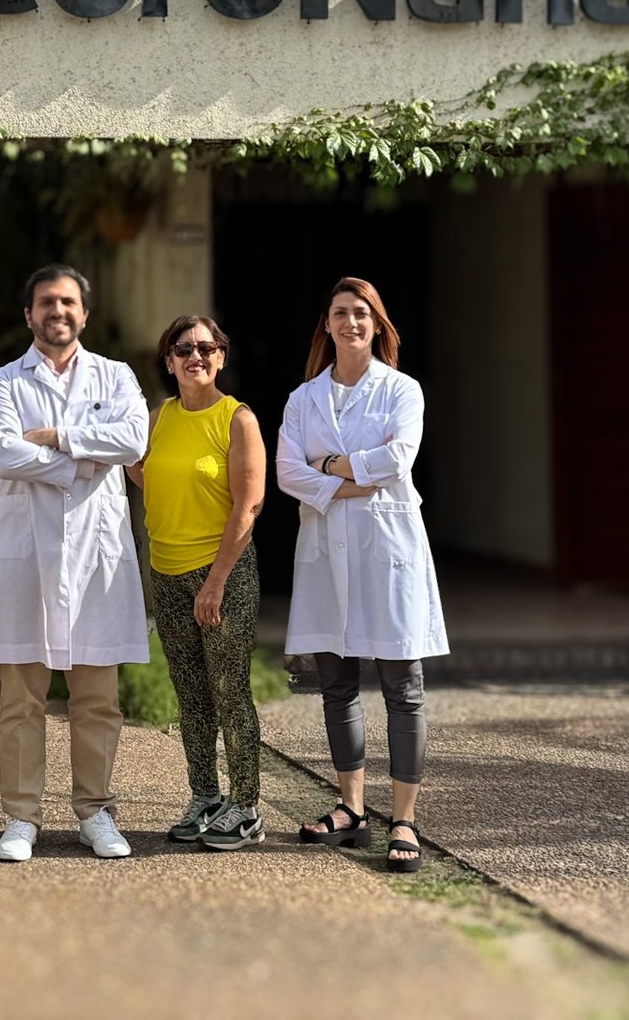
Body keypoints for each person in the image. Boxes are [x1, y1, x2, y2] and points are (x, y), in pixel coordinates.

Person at [0, 263, 150, 863]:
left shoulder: (116, 375)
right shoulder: (3, 382)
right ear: (29, 314)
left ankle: (95, 812)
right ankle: (21, 817)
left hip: (96, 559)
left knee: (97, 698)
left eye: (68, 302)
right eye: (47, 302)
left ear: (84, 313)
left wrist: (54, 437)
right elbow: (2, 454)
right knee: (22, 699)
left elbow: (133, 442)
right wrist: (84, 459)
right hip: (26, 558)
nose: (58, 311)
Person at [275, 277, 447, 874]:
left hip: (386, 550)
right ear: (326, 324)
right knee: (337, 683)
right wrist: (349, 481)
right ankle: (351, 809)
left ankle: (404, 819)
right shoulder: (303, 399)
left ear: (377, 324)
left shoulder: (402, 390)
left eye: (361, 313)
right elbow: (287, 473)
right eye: (340, 313)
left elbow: (399, 460)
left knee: (403, 686)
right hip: (327, 552)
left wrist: (326, 467)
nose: (350, 322)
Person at [127, 315, 267, 851]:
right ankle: (205, 796)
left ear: (221, 357)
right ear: (169, 362)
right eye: (183, 349)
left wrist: (215, 582)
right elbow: (142, 470)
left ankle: (246, 806)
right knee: (190, 694)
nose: (195, 356)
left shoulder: (237, 419)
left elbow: (249, 506)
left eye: (206, 348)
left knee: (229, 691)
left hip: (222, 575)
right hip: (165, 573)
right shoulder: (158, 417)